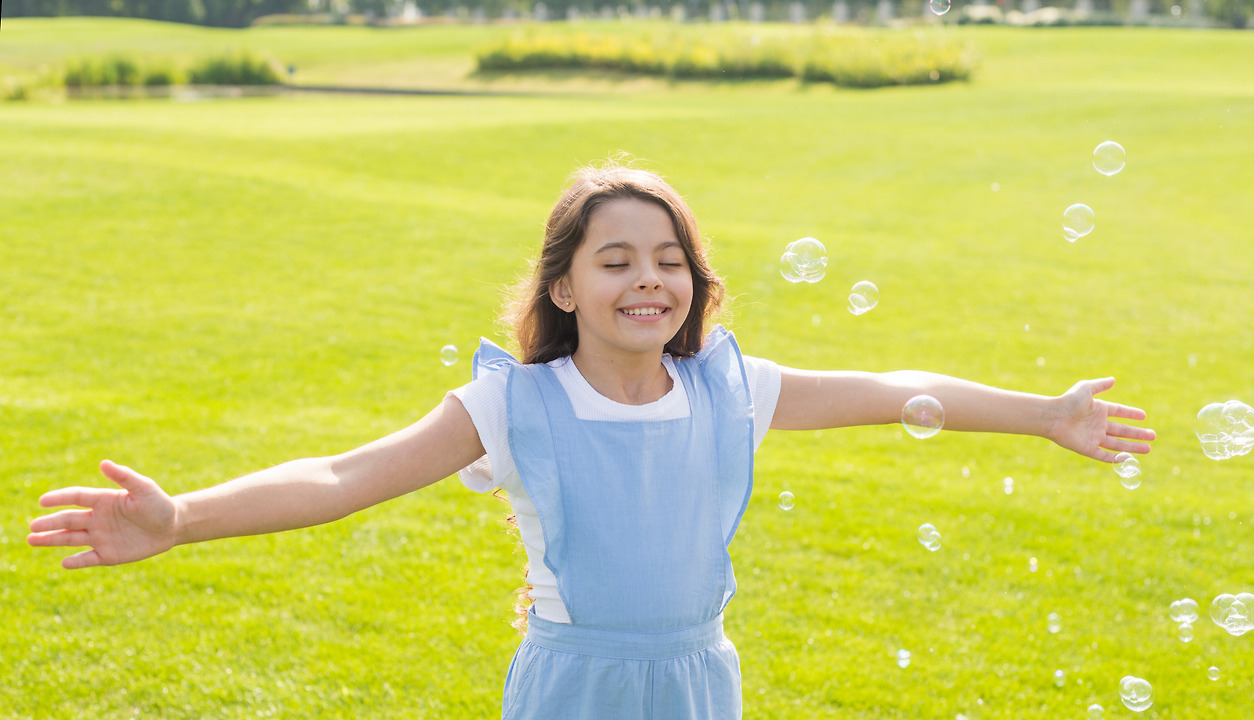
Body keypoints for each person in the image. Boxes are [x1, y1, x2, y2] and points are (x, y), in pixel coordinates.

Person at [28, 161, 1156, 720]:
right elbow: (345, 474)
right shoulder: (512, 406)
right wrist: (181, 521)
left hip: (698, 676)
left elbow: (896, 388)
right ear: (563, 284)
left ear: (695, 283)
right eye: (615, 259)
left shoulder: (732, 387)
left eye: (667, 259)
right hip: (574, 686)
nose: (647, 279)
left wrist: (1044, 413)